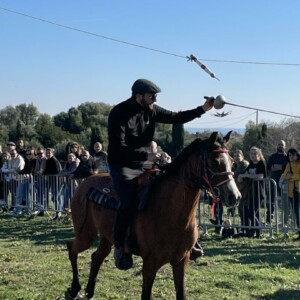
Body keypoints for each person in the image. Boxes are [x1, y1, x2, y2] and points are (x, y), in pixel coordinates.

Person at [107, 78, 214, 270]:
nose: (154, 99)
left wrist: (203, 109)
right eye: (151, 96)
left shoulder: (153, 109)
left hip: (146, 160)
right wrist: (147, 155)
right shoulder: (119, 113)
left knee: (169, 187)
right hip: (122, 163)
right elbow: (118, 147)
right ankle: (121, 246)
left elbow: (176, 117)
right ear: (139, 96)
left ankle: (189, 241)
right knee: (128, 200)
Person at [238, 147, 267, 238]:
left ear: (259, 155)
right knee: (251, 212)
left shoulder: (261, 163)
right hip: (250, 192)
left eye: (255, 154)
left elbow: (260, 176)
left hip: (259, 192)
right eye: (251, 154)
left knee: (252, 212)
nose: (253, 156)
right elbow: (244, 175)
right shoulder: (250, 164)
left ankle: (259, 231)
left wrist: (246, 175)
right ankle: (255, 232)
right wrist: (241, 176)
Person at [267, 140, 288, 223]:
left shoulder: (287, 157)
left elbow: (286, 168)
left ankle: (285, 220)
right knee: (271, 201)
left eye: (282, 145)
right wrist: (281, 167)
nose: (280, 146)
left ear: (285, 146)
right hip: (273, 181)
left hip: (284, 182)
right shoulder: (272, 157)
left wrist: (278, 166)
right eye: (279, 144)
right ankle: (269, 219)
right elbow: (269, 167)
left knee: (285, 201)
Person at [281, 148, 300, 240]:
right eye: (289, 155)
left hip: (299, 189)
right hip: (292, 191)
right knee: (297, 213)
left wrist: (292, 177)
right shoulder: (288, 164)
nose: (290, 157)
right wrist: (289, 176)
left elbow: (293, 176)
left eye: (292, 155)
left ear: (297, 155)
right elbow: (284, 175)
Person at [232, 150, 249, 236]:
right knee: (241, 211)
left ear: (242, 156)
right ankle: (243, 229)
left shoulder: (244, 164)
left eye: (238, 156)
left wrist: (230, 174)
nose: (236, 157)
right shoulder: (235, 165)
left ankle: (249, 230)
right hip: (240, 192)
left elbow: (235, 175)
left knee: (246, 211)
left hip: (247, 191)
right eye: (235, 156)